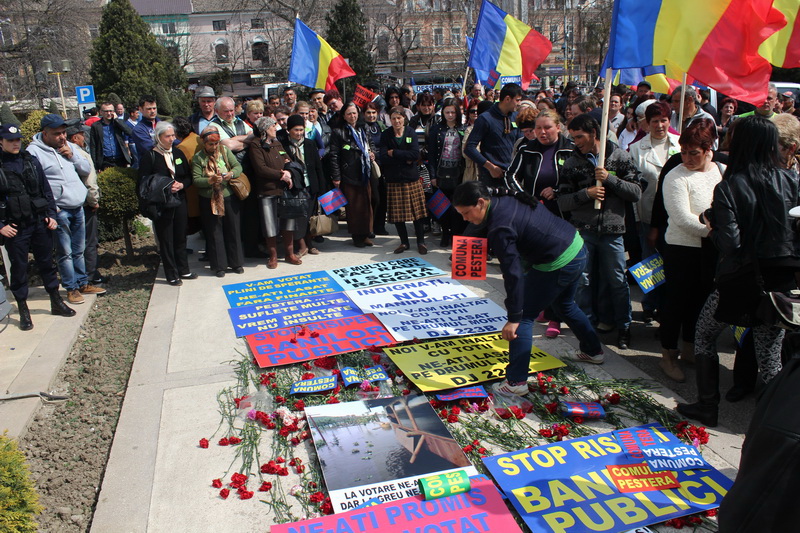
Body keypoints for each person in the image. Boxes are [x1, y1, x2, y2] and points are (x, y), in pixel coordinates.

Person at [677, 116, 800, 427]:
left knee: (703, 335)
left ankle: (708, 406)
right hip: (780, 284)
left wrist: (711, 223)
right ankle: (772, 425)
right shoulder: (792, 180)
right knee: (769, 356)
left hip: (740, 281)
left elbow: (729, 244)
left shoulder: (731, 185)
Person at [453, 182, 605, 396]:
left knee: (524, 317)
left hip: (558, 261)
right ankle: (592, 351)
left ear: (480, 202)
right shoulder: (501, 198)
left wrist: (514, 316)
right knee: (564, 304)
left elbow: (513, 274)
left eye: (466, 213)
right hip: (576, 247)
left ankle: (516, 382)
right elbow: (477, 227)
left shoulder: (500, 228)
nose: (465, 218)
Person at [558, 113, 642, 349]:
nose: (576, 143)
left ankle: (624, 326)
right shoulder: (572, 162)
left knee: (616, 280)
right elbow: (562, 201)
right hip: (583, 231)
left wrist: (610, 180)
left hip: (613, 231)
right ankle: (586, 326)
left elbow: (636, 192)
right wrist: (587, 194)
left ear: (594, 133)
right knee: (583, 280)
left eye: (580, 137)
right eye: (573, 138)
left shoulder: (620, 157)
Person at [657, 119, 722, 382]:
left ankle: (689, 347)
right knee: (676, 303)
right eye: (683, 152)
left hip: (710, 250)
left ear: (709, 150)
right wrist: (716, 232)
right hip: (681, 248)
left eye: (693, 152)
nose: (687, 158)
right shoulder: (676, 176)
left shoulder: (721, 170)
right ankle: (667, 354)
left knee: (700, 301)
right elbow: (682, 217)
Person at [505, 108, 575, 339]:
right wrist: (524, 197)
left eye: (547, 127)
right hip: (535, 213)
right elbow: (510, 176)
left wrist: (558, 191)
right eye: (538, 128)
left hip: (564, 214)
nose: (542, 132)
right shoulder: (527, 149)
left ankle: (556, 316)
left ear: (558, 127)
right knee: (536, 263)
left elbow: (577, 180)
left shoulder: (570, 148)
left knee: (559, 264)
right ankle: (542, 306)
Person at [0, 123, 75, 329]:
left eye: (17, 140)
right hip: (15, 226)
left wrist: (51, 214)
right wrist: (1, 226)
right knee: (20, 268)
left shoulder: (30, 160)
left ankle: (55, 301)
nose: (15, 144)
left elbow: (45, 190)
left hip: (38, 221)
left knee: (47, 264)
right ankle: (23, 308)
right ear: (1, 142)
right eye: (10, 140)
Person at [27, 114, 106, 304]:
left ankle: (83, 282)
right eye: (57, 134)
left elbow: (86, 169)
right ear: (44, 134)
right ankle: (71, 288)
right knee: (65, 252)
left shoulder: (69, 147)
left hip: (77, 205)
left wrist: (72, 157)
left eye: (63, 133)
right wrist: (50, 209)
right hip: (59, 210)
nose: (62, 137)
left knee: (79, 249)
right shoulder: (34, 152)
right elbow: (35, 185)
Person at [629, 101, 680, 324]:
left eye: (663, 120)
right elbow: (633, 189)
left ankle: (670, 304)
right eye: (654, 121)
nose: (659, 125)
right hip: (648, 215)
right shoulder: (635, 149)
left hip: (676, 216)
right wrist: (638, 220)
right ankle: (650, 304)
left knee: (673, 263)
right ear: (646, 124)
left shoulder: (680, 144)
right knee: (650, 263)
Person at [138, 121, 194, 286]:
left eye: (173, 135)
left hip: (179, 200)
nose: (171, 139)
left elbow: (188, 176)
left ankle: (183, 269)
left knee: (180, 235)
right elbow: (143, 182)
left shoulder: (178, 153)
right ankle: (171, 273)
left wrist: (182, 184)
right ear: (159, 137)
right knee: (166, 238)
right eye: (167, 136)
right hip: (162, 203)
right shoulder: (151, 156)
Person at [191, 125, 244, 278]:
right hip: (209, 198)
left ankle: (236, 263)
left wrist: (231, 174)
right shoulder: (198, 158)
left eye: (216, 143)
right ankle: (219, 266)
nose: (214, 147)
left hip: (228, 195)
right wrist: (210, 180)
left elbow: (237, 166)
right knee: (214, 232)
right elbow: (196, 180)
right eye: (211, 144)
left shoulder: (225, 151)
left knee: (233, 229)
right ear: (204, 143)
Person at [245, 116, 296, 268]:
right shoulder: (256, 145)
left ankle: (289, 253)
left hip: (284, 189)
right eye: (273, 126)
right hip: (267, 190)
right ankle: (273, 256)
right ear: (265, 129)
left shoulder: (277, 143)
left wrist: (289, 172)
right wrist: (281, 174)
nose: (276, 128)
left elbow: (287, 159)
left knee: (288, 222)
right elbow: (261, 169)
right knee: (270, 224)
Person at [380, 106, 427, 254]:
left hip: (411, 179)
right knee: (398, 215)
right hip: (394, 179)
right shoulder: (386, 134)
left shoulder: (410, 132)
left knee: (417, 214)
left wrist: (394, 153)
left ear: (404, 119)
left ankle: (421, 242)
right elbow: (383, 157)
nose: (396, 121)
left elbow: (414, 155)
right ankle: (404, 242)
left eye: (399, 118)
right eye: (393, 118)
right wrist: (404, 157)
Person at [329, 102, 376, 248]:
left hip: (365, 171)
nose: (352, 116)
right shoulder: (338, 132)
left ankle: (366, 234)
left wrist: (373, 153)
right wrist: (336, 176)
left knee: (366, 205)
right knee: (354, 208)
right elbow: (334, 155)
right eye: (349, 113)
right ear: (343, 115)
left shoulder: (363, 128)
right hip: (349, 173)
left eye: (354, 113)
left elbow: (371, 144)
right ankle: (357, 237)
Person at [281, 114, 326, 256]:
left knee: (310, 217)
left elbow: (319, 168)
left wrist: (321, 189)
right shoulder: (283, 146)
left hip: (310, 186)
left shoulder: (309, 144)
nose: (299, 133)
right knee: (298, 217)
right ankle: (300, 245)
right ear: (289, 130)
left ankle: (310, 244)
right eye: (296, 130)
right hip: (295, 188)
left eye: (301, 130)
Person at [66, 120, 104, 285]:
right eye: (82, 134)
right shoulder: (80, 154)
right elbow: (90, 182)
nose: (84, 137)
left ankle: (80, 275)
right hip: (85, 205)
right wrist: (94, 201)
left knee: (73, 244)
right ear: (75, 137)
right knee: (89, 241)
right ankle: (90, 274)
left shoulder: (60, 153)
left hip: (69, 205)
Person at [464, 83, 522, 186]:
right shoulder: (485, 118)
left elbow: (520, 143)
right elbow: (469, 148)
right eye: (517, 100)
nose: (519, 103)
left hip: (513, 175)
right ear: (507, 99)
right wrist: (490, 167)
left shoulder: (516, 117)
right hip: (491, 177)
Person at [427, 98, 467, 247]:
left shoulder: (463, 129)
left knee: (457, 206)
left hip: (459, 172)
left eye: (453, 112)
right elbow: (431, 155)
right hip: (441, 171)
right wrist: (432, 176)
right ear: (442, 113)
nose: (450, 115)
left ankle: (456, 234)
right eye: (447, 112)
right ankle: (445, 232)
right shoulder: (436, 129)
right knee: (442, 206)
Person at [364, 102, 388, 235]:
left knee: (383, 197)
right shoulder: (362, 127)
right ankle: (370, 226)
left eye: (374, 112)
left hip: (383, 165)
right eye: (368, 113)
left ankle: (380, 226)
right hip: (371, 166)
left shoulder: (381, 126)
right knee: (374, 198)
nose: (371, 115)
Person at [89, 102, 132, 170]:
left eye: (111, 111)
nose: (109, 113)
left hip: (120, 159)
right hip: (106, 161)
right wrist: (96, 165)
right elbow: (93, 146)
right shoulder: (96, 126)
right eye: (106, 111)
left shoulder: (118, 123)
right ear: (101, 112)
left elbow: (129, 132)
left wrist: (117, 120)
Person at [132, 95, 160, 162]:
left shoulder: (163, 124)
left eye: (154, 108)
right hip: (150, 167)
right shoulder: (138, 129)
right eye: (149, 109)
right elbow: (150, 148)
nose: (152, 111)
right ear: (141, 110)